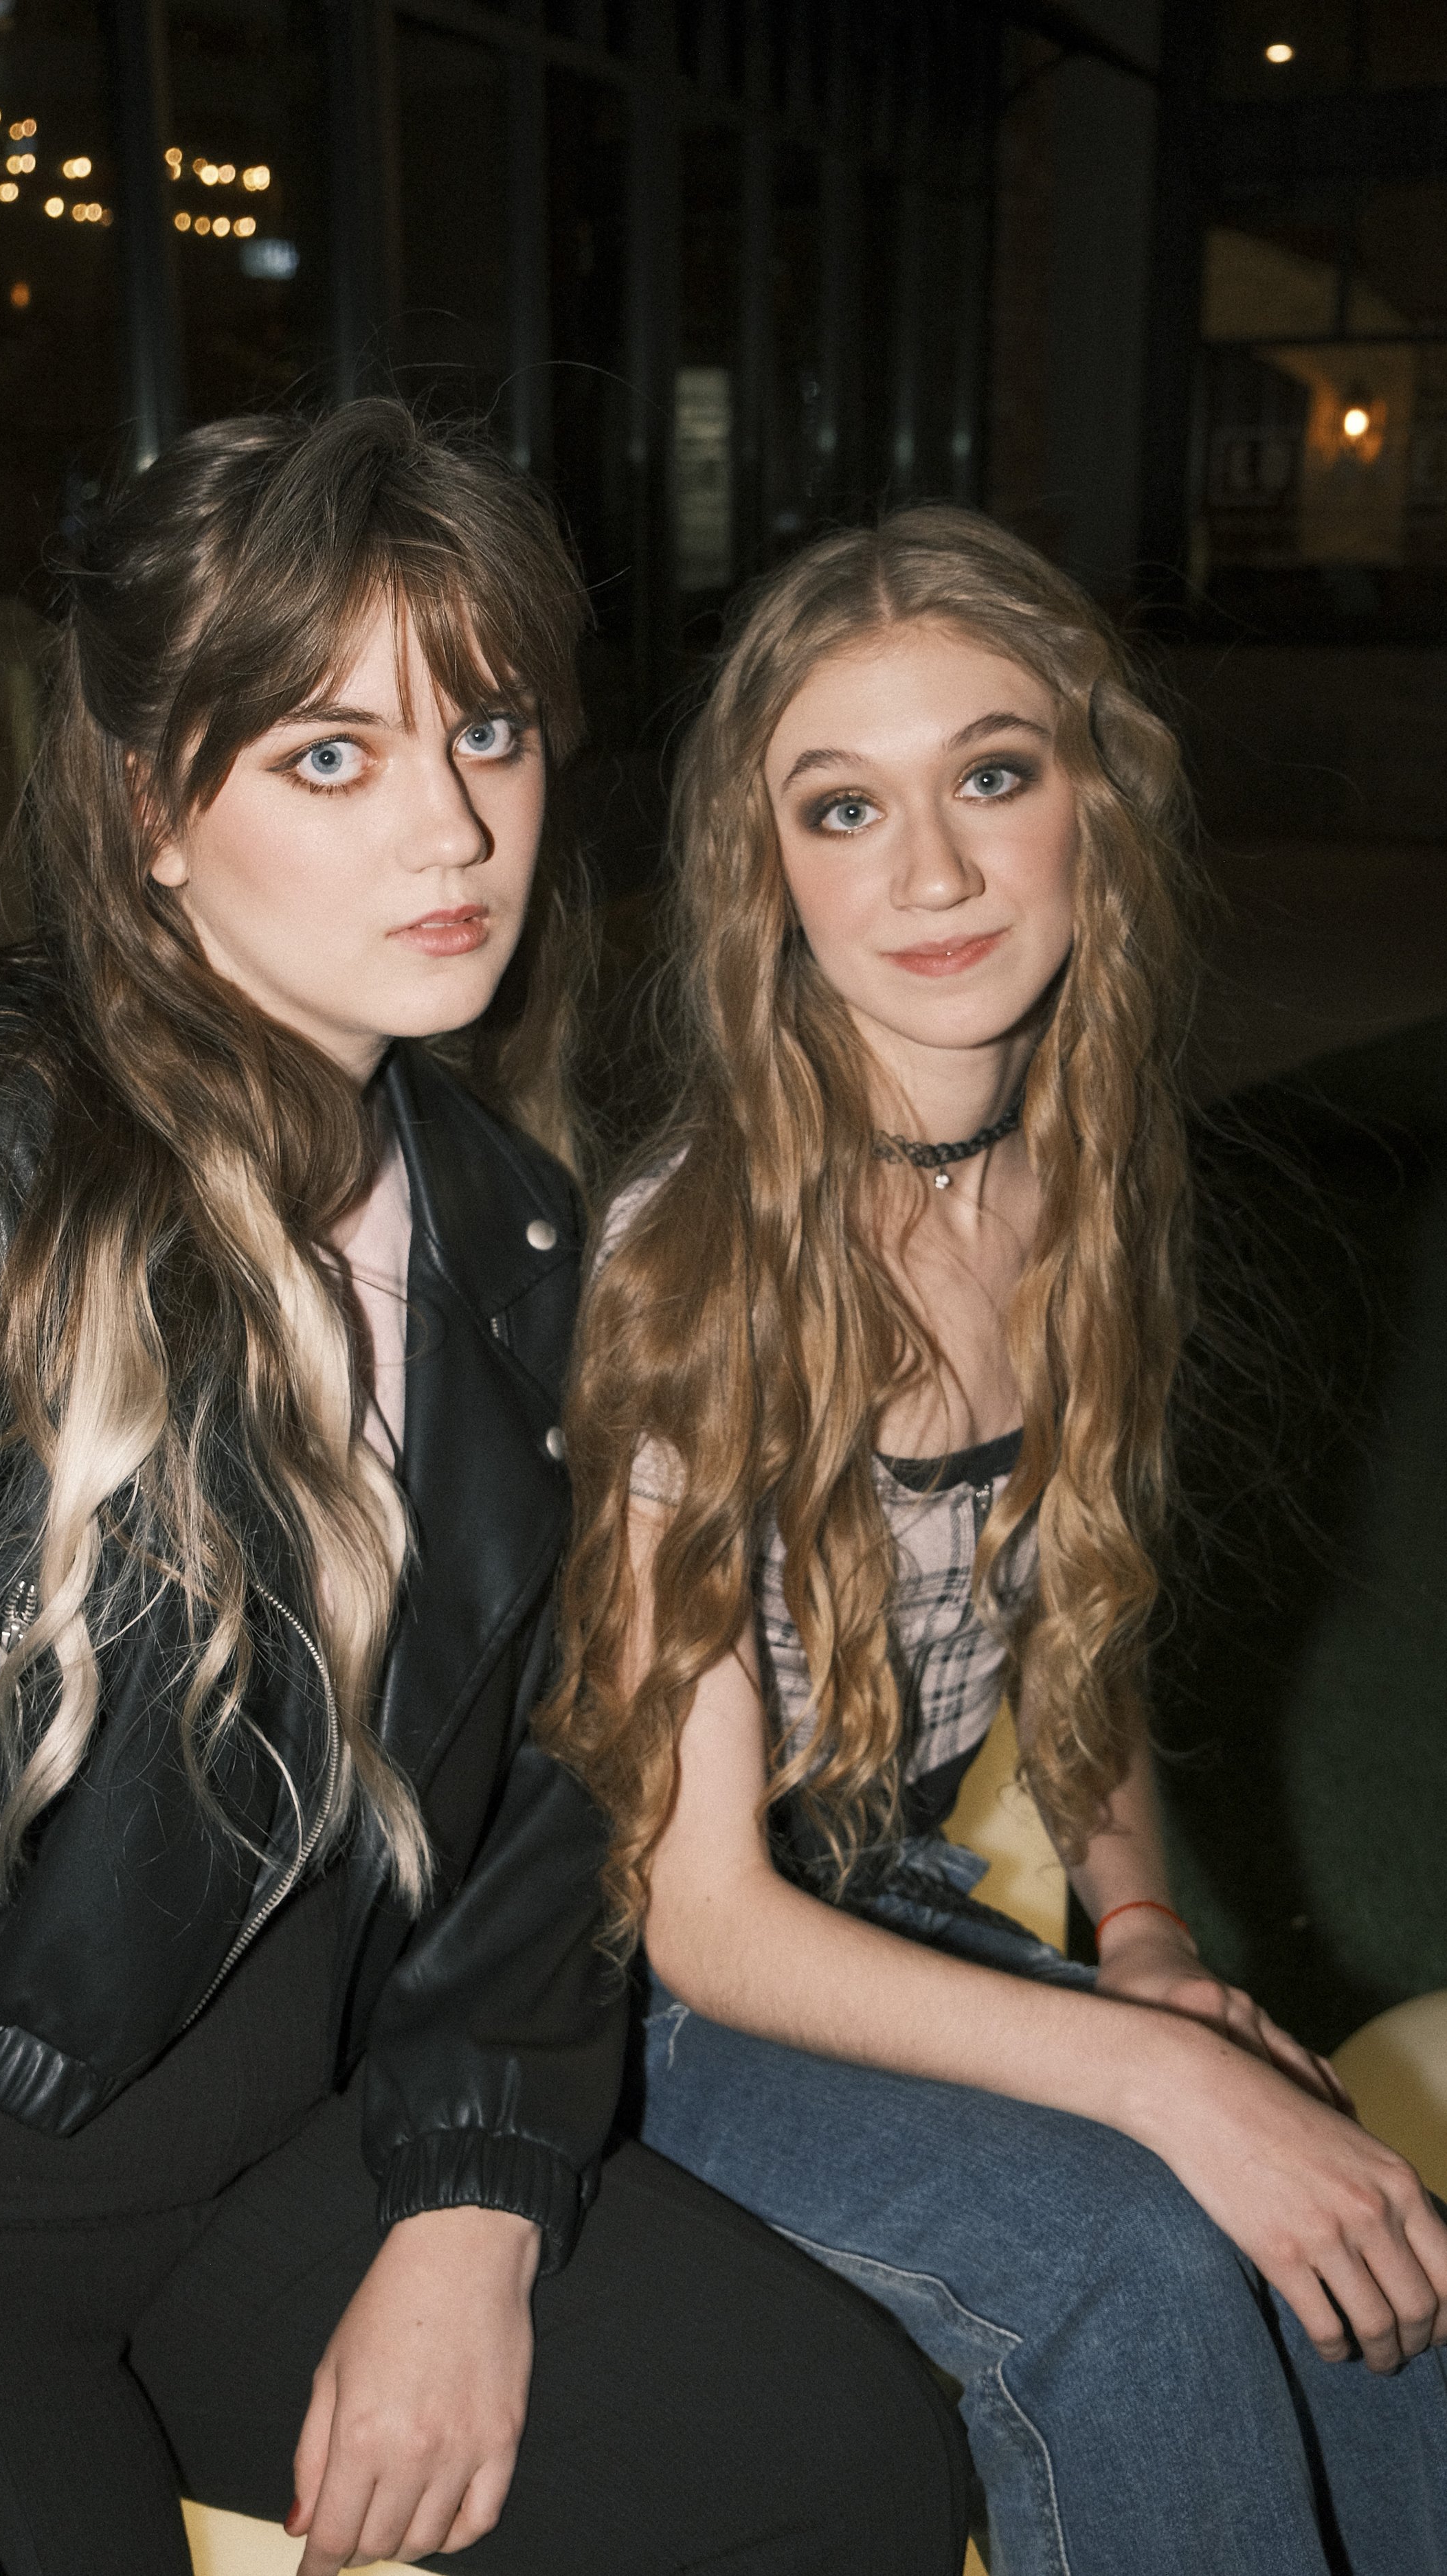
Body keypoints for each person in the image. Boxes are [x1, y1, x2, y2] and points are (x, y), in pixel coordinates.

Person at [0, 407, 969, 2576]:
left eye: (485, 732)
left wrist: (473, 2207)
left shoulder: (504, 1223)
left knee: (830, 2458)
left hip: (278, 2158)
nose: (453, 831)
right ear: (149, 809)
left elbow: (555, 1790)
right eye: (330, 755)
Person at [542, 508, 1447, 2576]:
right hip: (614, 1993)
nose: (931, 871)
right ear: (761, 876)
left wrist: (1140, 1937)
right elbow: (696, 1920)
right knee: (1137, 2252)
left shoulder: (1073, 1185)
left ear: (1092, 806)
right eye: (841, 806)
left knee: (1345, 2251)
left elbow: (1077, 1629)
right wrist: (1148, 2084)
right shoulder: (690, 1277)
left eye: (992, 772)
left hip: (886, 1891)